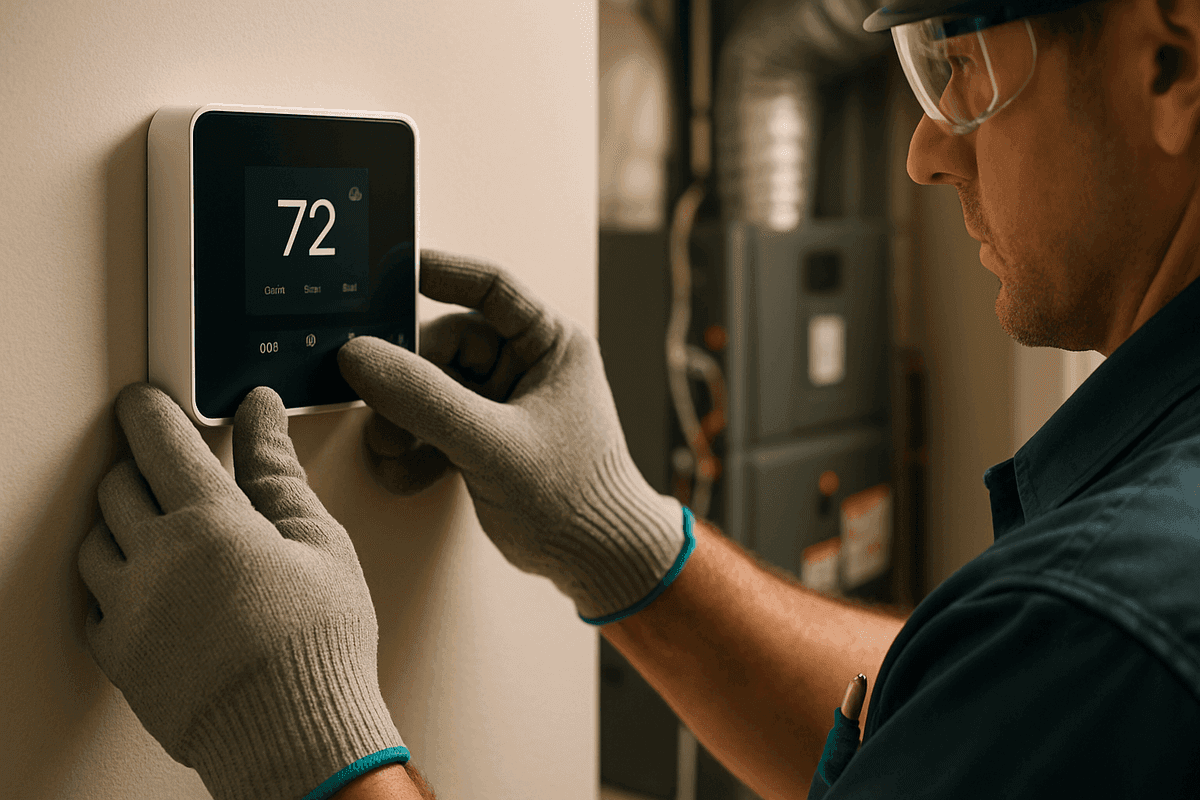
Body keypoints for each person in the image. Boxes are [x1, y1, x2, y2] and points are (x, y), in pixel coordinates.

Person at [76, 0, 1200, 794]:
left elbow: (1053, 673)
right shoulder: (1090, 635)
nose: (923, 151)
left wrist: (304, 739)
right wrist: (618, 532)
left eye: (961, 58)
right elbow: (978, 731)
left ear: (1173, 62)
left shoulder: (1106, 622)